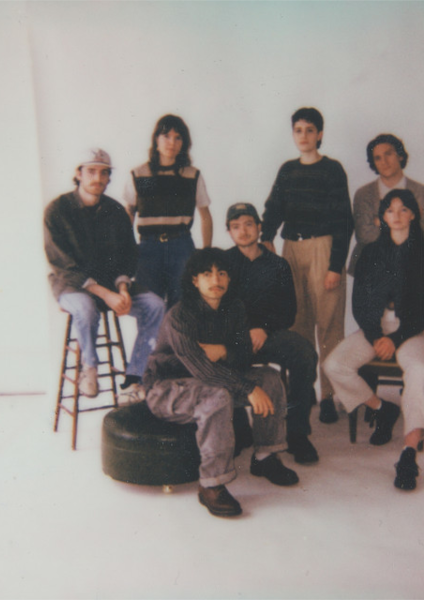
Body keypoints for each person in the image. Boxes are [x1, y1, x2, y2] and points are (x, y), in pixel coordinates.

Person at [142, 248, 299, 518]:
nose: (216, 279)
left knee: (270, 378)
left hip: (214, 380)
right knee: (217, 396)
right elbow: (202, 369)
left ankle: (265, 457)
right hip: (167, 388)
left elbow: (245, 355)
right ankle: (211, 484)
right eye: (207, 274)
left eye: (222, 273)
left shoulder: (234, 308)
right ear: (195, 280)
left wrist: (224, 351)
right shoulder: (180, 315)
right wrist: (248, 388)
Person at [324, 189, 424, 491]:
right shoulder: (369, 253)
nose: (397, 216)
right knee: (334, 364)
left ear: (413, 214)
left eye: (404, 210)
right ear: (382, 218)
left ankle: (408, 453)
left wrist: (397, 338)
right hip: (375, 328)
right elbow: (360, 303)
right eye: (391, 210)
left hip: (413, 331)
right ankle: (382, 408)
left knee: (419, 370)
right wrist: (377, 336)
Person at [44, 148, 165, 403]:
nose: (97, 178)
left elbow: (127, 256)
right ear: (78, 173)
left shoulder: (116, 211)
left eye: (104, 173)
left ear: (109, 177)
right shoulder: (57, 209)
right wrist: (106, 294)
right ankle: (89, 368)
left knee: (155, 305)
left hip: (111, 284)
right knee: (86, 308)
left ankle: (135, 377)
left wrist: (122, 289)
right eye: (91, 171)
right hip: (71, 285)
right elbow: (63, 264)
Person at [260, 107, 354, 426]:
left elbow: (344, 220)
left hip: (323, 248)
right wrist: (266, 237)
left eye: (310, 130)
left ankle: (329, 395)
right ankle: (303, 392)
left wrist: (334, 266)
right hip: (292, 250)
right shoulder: (287, 170)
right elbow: (273, 207)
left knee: (328, 326)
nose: (303, 136)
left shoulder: (332, 170)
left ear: (320, 134)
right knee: (296, 324)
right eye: (298, 130)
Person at [225, 202, 319, 464]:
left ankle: (297, 432)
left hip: (269, 335)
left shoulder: (278, 265)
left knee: (304, 353)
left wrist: (264, 329)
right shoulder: (222, 263)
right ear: (229, 232)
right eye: (236, 226)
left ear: (259, 227)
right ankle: (239, 429)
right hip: (235, 337)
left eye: (248, 224)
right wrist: (244, 331)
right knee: (219, 356)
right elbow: (218, 308)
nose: (243, 231)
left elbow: (289, 311)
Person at [123, 114, 213, 308]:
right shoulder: (141, 175)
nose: (172, 142)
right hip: (148, 249)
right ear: (156, 139)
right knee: (150, 305)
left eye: (178, 137)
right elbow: (128, 214)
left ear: (184, 143)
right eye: (166, 136)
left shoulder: (191, 176)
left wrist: (206, 253)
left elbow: (205, 216)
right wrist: (126, 248)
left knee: (182, 304)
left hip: (181, 247)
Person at [347, 133, 424, 276]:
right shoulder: (363, 194)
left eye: (388, 154)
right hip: (370, 266)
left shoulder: (421, 192)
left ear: (400, 155)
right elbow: (363, 235)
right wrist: (402, 226)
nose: (384, 161)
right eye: (378, 158)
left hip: (409, 266)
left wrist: (379, 222)